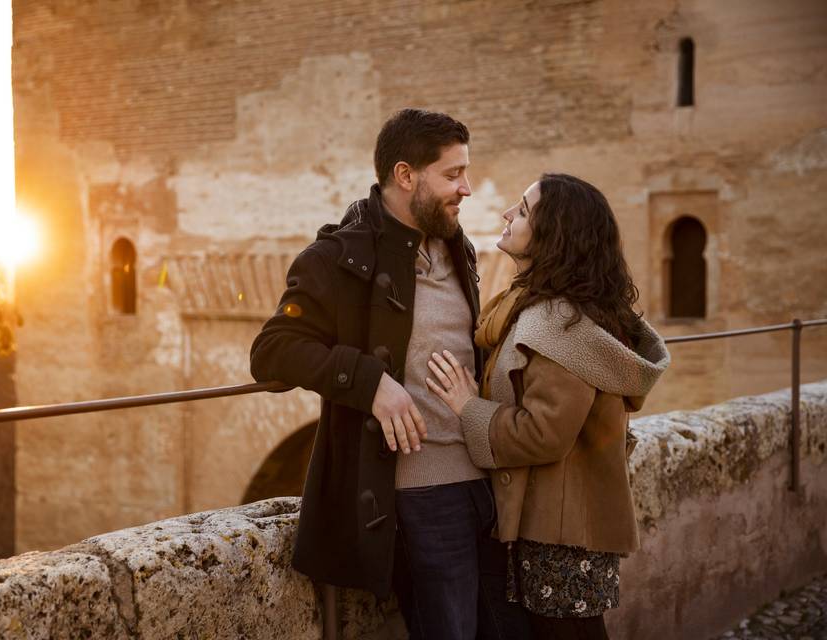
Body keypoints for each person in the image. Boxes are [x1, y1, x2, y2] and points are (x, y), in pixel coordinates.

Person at [250, 109, 531, 639]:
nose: (467, 188)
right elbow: (272, 348)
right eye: (452, 175)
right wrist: (370, 381)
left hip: (489, 485)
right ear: (405, 176)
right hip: (423, 500)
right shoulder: (338, 258)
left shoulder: (458, 247)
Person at [426, 173, 670, 640]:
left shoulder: (560, 324)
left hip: (559, 536)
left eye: (521, 210)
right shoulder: (545, 311)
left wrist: (466, 407)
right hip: (554, 524)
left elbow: (545, 433)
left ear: (553, 235)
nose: (506, 215)